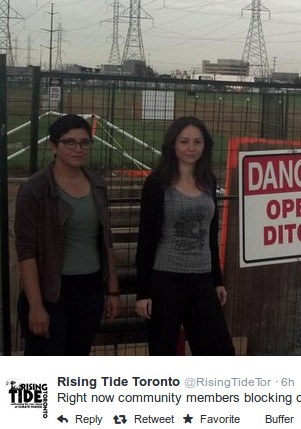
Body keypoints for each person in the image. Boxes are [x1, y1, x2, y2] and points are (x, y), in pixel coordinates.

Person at [15, 114, 120, 355]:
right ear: (54, 146)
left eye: (84, 142)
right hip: (52, 295)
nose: (78, 148)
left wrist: (112, 289)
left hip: (90, 292)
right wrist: (36, 305)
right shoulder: (35, 189)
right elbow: (26, 250)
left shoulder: (97, 183)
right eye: (69, 142)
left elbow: (106, 239)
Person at [135, 116, 235, 355]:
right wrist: (143, 293)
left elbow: (210, 235)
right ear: (173, 144)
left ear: (205, 145)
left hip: (201, 280)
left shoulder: (208, 181)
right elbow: (146, 239)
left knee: (219, 351)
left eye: (197, 142)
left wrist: (217, 280)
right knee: (164, 351)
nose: (191, 148)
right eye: (184, 141)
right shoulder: (157, 184)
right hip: (165, 281)